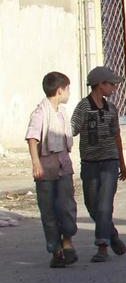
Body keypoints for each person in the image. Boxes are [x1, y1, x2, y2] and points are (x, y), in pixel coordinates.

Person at [71, 66, 126, 263]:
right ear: (100, 85)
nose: (114, 88)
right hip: (89, 163)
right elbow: (72, 130)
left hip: (109, 162)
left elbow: (116, 136)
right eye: (111, 84)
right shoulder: (83, 108)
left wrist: (122, 162)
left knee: (104, 205)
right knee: (92, 204)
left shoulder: (112, 109)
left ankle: (102, 246)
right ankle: (112, 235)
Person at [27, 71, 78, 268]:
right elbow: (33, 138)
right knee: (48, 211)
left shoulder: (62, 112)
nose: (69, 93)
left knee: (66, 206)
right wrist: (36, 163)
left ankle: (67, 242)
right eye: (67, 89)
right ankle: (55, 250)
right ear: (59, 91)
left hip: (63, 166)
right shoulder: (40, 113)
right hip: (46, 167)